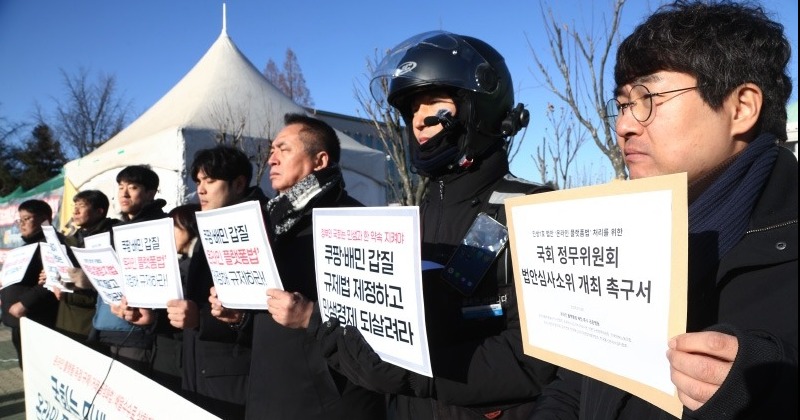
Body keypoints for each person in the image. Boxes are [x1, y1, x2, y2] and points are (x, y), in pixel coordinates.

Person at [530, 1, 797, 419]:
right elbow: (575, 384)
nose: (624, 125)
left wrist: (770, 390)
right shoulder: (621, 237)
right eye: (621, 104)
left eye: (648, 98)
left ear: (742, 107)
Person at [274, 32, 558, 418]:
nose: (419, 121)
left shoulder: (530, 209)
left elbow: (537, 359)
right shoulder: (411, 220)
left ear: (478, 107)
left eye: (435, 104)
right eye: (411, 111)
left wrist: (418, 374)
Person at [209, 113, 386, 419]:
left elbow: (378, 320)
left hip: (331, 399)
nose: (272, 159)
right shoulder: (269, 221)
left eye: (284, 149)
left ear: (319, 161)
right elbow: (268, 312)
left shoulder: (355, 222)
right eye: (272, 151)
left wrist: (310, 315)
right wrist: (238, 316)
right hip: (270, 391)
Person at [121, 146, 268, 418]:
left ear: (238, 183)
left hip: (233, 377)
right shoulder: (208, 229)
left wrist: (202, 320)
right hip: (194, 367)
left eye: (210, 181)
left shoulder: (260, 228)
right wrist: (154, 318)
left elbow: (266, 317)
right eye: (198, 181)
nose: (200, 189)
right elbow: (190, 310)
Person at [91, 164, 169, 373]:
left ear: (151, 193)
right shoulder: (115, 229)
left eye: (133, 187)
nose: (124, 193)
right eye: (120, 186)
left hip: (137, 333)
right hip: (106, 325)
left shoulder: (163, 227)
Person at [55, 190, 120, 349]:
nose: (75, 211)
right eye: (74, 206)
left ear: (100, 211)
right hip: (66, 311)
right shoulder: (69, 239)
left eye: (82, 206)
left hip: (92, 314)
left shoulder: (112, 236)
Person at [0, 199, 60, 369]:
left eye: (27, 219)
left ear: (44, 219)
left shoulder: (52, 244)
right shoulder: (28, 246)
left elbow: (53, 280)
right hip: (20, 322)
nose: (22, 224)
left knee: (39, 370)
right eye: (20, 220)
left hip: (37, 320)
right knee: (27, 369)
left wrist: (24, 303)